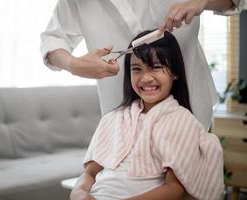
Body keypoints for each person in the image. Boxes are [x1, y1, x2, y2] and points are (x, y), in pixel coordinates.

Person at [40, 0, 245, 130]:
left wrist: (204, 1)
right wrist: (74, 65)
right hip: (122, 118)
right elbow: (53, 38)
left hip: (191, 105)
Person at [70, 30, 224, 200]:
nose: (146, 78)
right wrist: (79, 193)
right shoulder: (113, 119)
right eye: (137, 69)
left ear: (175, 72)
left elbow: (174, 188)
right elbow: (89, 174)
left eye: (156, 67)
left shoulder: (182, 121)